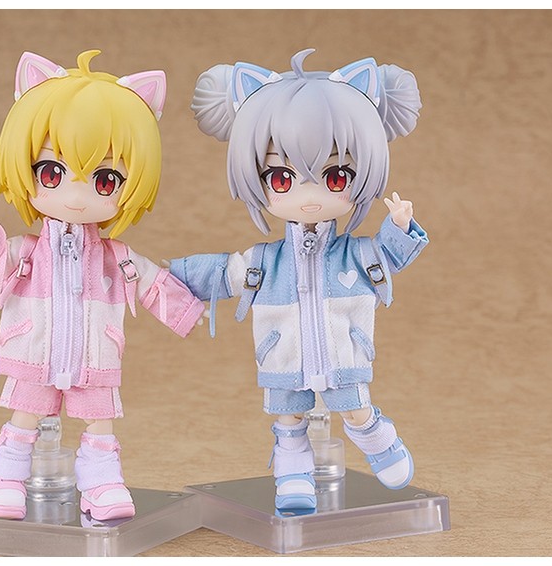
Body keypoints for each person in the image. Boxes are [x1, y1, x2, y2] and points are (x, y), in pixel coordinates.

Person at [169, 49, 428, 511]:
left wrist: (401, 226)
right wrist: (171, 276)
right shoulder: (265, 262)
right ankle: (292, 473)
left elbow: (388, 255)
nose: (310, 195)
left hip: (345, 355)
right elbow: (224, 272)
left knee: (355, 408)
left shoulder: (354, 253)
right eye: (282, 178)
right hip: (282, 357)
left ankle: (376, 436)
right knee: (289, 422)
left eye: (336, 176)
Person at [0, 50, 205, 521]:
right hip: (34, 350)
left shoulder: (114, 256)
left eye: (105, 180)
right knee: (25, 415)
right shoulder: (28, 251)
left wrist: (186, 309)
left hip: (95, 356)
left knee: (100, 422)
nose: (75, 195)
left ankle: (103, 483)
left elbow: (150, 280)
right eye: (52, 173)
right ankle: (6, 476)